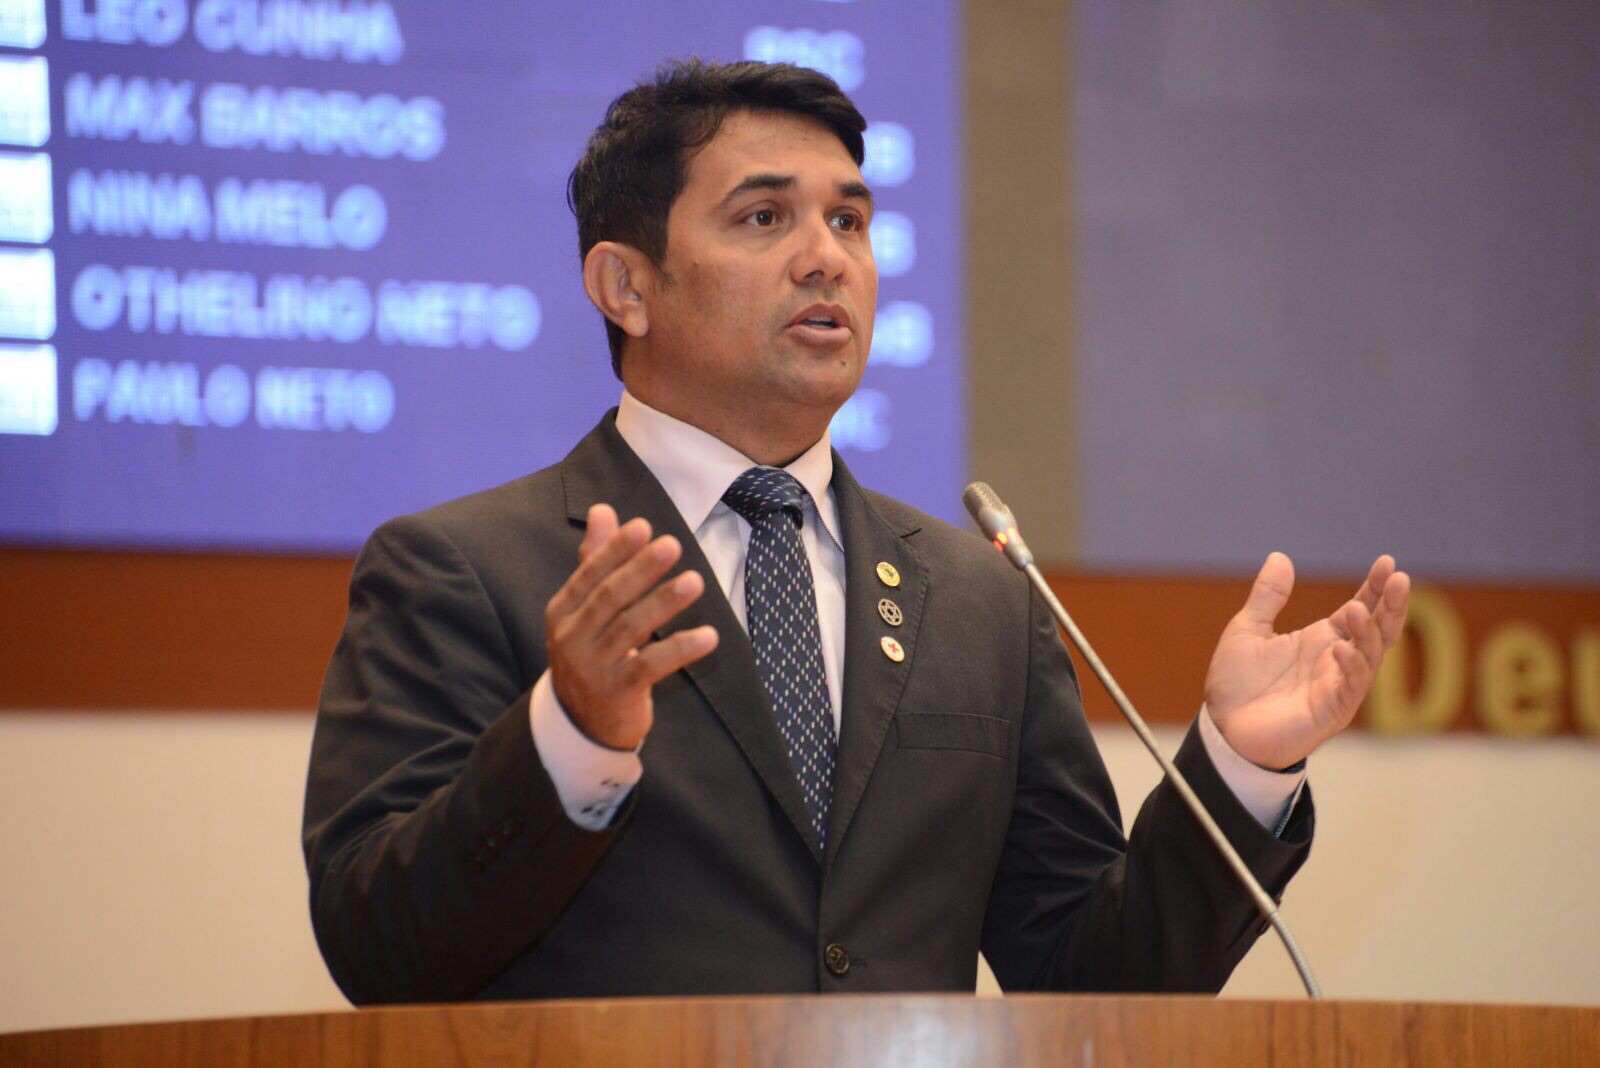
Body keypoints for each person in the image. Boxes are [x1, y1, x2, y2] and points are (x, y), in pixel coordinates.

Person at [302, 59, 1410, 1005]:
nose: (826, 257)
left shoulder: (979, 603)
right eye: (763, 218)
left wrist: (1240, 766)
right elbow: (378, 948)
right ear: (625, 286)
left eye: (849, 221)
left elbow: (1090, 984)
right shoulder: (465, 570)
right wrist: (572, 739)